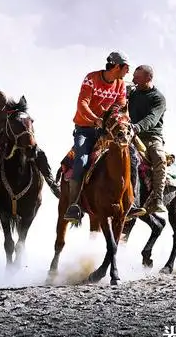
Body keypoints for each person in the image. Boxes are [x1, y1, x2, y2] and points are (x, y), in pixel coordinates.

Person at [63, 52, 131, 223]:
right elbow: (82, 104)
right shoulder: (91, 79)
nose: (127, 72)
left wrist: (117, 122)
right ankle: (74, 205)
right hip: (85, 130)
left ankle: (130, 202)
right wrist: (96, 120)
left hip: (108, 132)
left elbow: (120, 106)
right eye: (126, 68)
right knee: (82, 161)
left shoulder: (121, 84)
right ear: (117, 66)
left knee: (132, 158)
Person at [128, 65, 169, 215]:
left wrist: (137, 127)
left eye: (137, 78)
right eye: (133, 77)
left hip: (151, 137)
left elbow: (152, 118)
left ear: (148, 78)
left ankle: (157, 198)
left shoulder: (158, 98)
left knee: (159, 158)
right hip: (130, 135)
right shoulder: (132, 93)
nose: (133, 80)